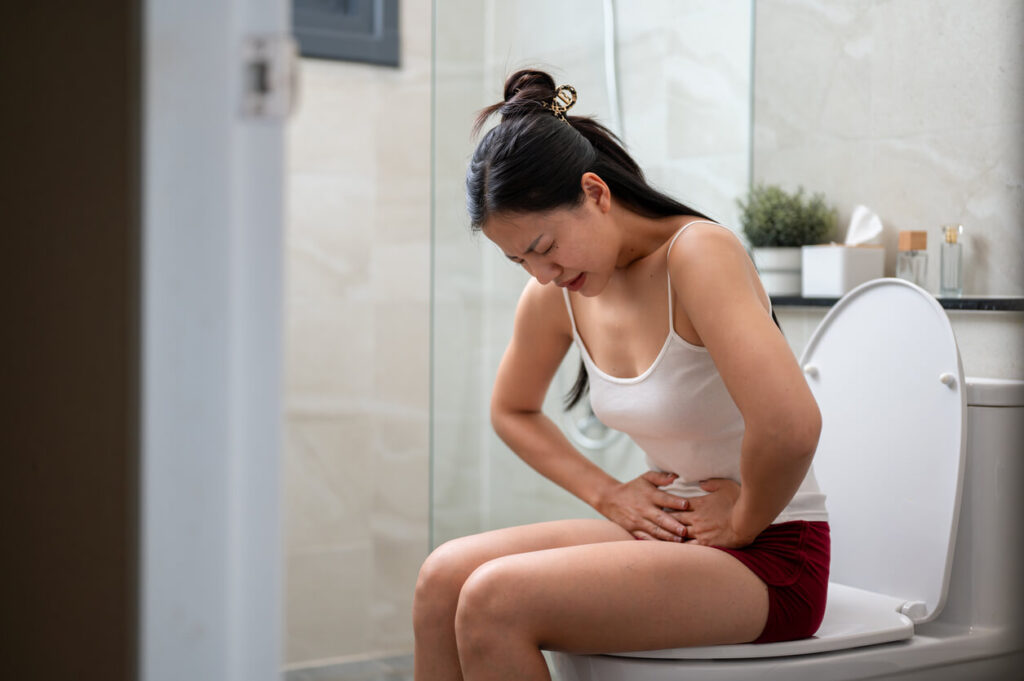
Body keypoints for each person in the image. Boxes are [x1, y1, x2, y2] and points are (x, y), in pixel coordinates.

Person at [413, 69, 830, 681]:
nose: (541, 274)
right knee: (442, 579)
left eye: (545, 245)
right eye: (519, 260)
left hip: (772, 552)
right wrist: (609, 494)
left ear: (596, 193)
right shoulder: (557, 294)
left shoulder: (697, 253)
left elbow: (791, 426)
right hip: (674, 532)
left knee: (495, 601)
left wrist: (744, 521)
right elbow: (512, 410)